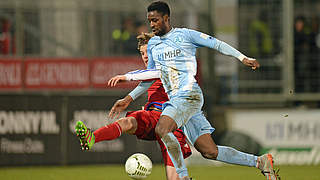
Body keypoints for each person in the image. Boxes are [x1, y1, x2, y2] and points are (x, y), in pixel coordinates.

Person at [108, 1, 280, 180]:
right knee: (209, 151)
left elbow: (217, 44)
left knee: (162, 128)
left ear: (166, 18)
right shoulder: (153, 45)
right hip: (176, 101)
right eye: (149, 21)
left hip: (189, 95)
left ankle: (182, 177)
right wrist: (129, 98)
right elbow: (152, 75)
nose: (151, 25)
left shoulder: (185, 35)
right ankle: (260, 162)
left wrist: (242, 57)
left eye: (155, 20)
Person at [75, 32, 192, 180]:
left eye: (148, 51)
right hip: (153, 117)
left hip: (173, 126)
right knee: (127, 121)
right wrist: (127, 99)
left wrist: (126, 81)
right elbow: (146, 81)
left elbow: (151, 76)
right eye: (142, 53)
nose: (145, 56)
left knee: (175, 179)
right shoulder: (151, 73)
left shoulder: (169, 66)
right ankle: (91, 138)